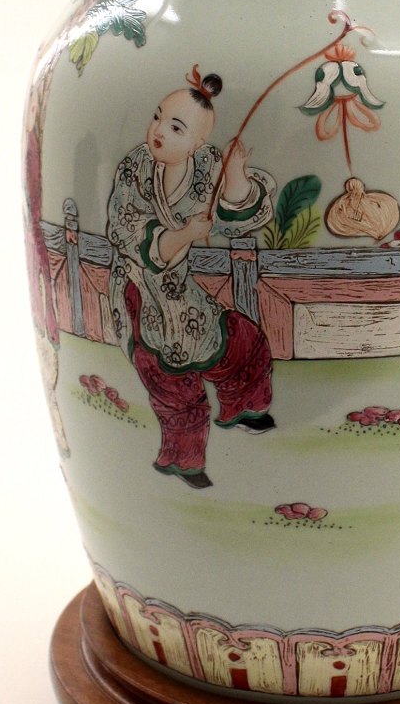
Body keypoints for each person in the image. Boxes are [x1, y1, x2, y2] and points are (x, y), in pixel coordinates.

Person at [106, 68, 277, 488]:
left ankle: (245, 408)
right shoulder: (133, 169)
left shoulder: (206, 165)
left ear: (199, 143)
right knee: (171, 382)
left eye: (176, 127)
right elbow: (125, 232)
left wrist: (235, 177)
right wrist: (183, 235)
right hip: (140, 293)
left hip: (181, 291)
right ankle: (184, 460)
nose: (159, 130)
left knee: (241, 340)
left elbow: (236, 220)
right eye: (157, 117)